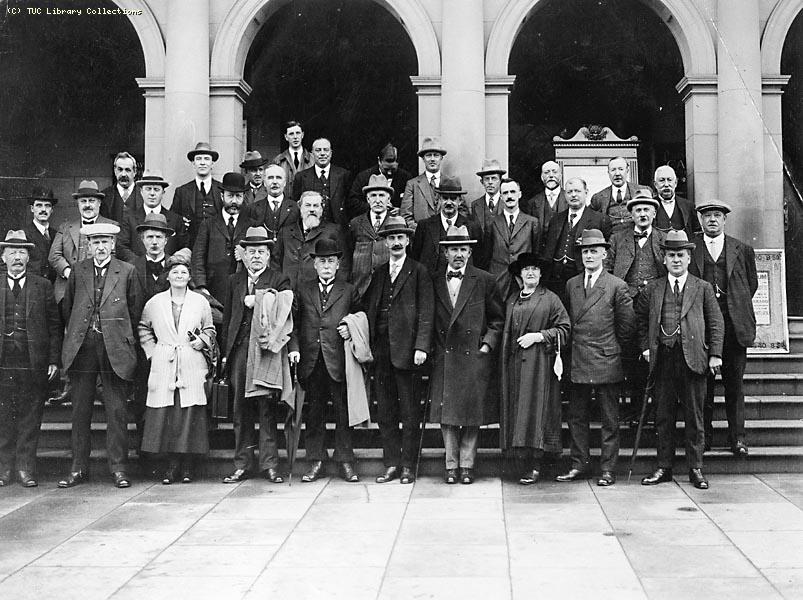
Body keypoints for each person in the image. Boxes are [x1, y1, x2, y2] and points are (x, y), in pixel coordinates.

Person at [57, 223, 143, 489]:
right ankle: (78, 468)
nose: (101, 247)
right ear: (89, 245)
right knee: (80, 411)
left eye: (105, 241)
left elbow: (135, 310)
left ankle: (118, 468)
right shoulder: (78, 272)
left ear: (113, 244)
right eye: (95, 242)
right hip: (83, 347)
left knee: (116, 410)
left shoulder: (127, 271)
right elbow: (69, 308)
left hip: (115, 348)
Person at [636, 230, 724, 490]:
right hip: (663, 359)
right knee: (663, 416)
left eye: (680, 255)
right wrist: (645, 347)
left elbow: (716, 323)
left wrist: (715, 354)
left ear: (688, 258)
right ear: (664, 259)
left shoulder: (703, 287)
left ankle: (695, 468)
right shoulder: (653, 288)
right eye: (671, 255)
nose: (676, 260)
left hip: (694, 359)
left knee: (694, 417)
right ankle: (664, 467)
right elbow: (640, 320)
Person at [556, 229, 635, 486]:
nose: (589, 255)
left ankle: (608, 469)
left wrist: (611, 350)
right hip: (579, 359)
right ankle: (579, 464)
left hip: (605, 359)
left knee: (609, 419)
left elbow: (626, 328)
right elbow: (567, 320)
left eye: (594, 251)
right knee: (576, 417)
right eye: (585, 251)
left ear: (604, 253)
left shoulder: (616, 285)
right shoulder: (572, 284)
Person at [429, 225, 504, 484]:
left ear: (470, 252)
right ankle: (451, 466)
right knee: (447, 416)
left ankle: (468, 466)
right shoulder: (434, 278)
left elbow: (497, 319)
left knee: (471, 415)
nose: (458, 254)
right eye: (453, 249)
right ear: (445, 253)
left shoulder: (484, 279)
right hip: (445, 355)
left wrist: (487, 345)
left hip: (473, 356)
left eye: (463, 249)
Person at [220, 227, 294, 484]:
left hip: (264, 351)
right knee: (240, 409)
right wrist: (225, 354)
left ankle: (270, 464)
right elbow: (228, 319)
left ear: (269, 255)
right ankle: (242, 463)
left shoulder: (278, 279)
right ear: (243, 254)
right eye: (251, 252)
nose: (256, 257)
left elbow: (287, 309)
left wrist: (260, 299)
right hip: (240, 350)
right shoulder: (234, 281)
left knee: (266, 408)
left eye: (261, 252)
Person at [364, 216, 433, 484]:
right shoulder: (380, 272)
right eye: (391, 238)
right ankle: (391, 463)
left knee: (410, 412)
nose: (395, 242)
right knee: (386, 412)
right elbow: (371, 308)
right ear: (385, 242)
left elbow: (427, 312)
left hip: (408, 353)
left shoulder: (419, 271)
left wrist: (421, 347)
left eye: (400, 237)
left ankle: (408, 466)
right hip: (382, 353)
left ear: (408, 241)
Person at [138, 250, 215, 484]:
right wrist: (153, 353)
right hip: (165, 362)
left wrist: (201, 341)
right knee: (167, 415)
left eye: (183, 272)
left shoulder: (200, 301)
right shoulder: (155, 302)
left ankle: (188, 464)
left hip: (191, 362)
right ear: (168, 276)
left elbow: (210, 329)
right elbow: (143, 328)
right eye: (175, 272)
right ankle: (170, 465)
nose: (179, 275)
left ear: (189, 276)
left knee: (188, 413)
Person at [689, 200, 758, 456]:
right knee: (702, 388)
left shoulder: (742, 249)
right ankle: (703, 439)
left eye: (717, 215)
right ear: (701, 220)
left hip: (734, 326)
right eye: (707, 216)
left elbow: (751, 285)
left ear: (725, 220)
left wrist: (732, 306)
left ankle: (737, 439)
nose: (712, 220)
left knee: (734, 386)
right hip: (702, 327)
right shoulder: (691, 249)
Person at [292, 237, 361, 483]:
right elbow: (294, 324)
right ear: (314, 265)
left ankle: (345, 461)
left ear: (338, 264)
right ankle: (315, 461)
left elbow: (360, 319)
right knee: (315, 413)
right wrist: (295, 348)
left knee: (343, 413)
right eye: (322, 261)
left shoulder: (349, 290)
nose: (326, 266)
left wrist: (350, 328)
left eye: (331, 261)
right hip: (311, 359)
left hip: (339, 359)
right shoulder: (303, 288)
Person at [499, 253, 569, 485]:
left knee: (536, 413)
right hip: (515, 367)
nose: (530, 273)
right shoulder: (512, 300)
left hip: (539, 366)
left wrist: (539, 336)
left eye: (535, 269)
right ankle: (518, 462)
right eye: (526, 269)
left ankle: (536, 464)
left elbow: (565, 329)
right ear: (520, 274)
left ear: (540, 274)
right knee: (517, 412)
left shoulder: (550, 299)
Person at [0, 231, 61, 487]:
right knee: (3, 415)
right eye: (12, 252)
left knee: (30, 415)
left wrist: (53, 360)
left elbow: (55, 325)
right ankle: (4, 469)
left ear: (28, 257)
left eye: (22, 252)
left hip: (32, 360)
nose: (17, 257)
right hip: (3, 362)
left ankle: (26, 468)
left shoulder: (42, 285)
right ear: (3, 257)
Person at [129, 212, 176, 453]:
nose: (154, 242)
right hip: (141, 347)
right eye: (150, 237)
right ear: (142, 239)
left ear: (166, 240)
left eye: (159, 236)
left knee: (169, 399)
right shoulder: (130, 269)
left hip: (171, 346)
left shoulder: (176, 269)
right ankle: (145, 453)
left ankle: (167, 453)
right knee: (142, 397)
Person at [541, 177, 610, 303]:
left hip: (581, 277)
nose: (573, 195)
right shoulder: (556, 219)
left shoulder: (599, 219)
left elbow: (606, 253)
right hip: (555, 280)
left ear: (586, 192)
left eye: (577, 191)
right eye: (569, 192)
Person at [49, 179, 118, 305]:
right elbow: (54, 255)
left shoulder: (111, 226)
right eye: (83, 201)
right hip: (67, 290)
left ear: (99, 203)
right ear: (78, 203)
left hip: (99, 290)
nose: (87, 205)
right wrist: (69, 273)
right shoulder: (65, 227)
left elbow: (114, 256)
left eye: (91, 201)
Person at [192, 172, 251, 308]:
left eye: (238, 196)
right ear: (221, 196)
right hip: (213, 289)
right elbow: (198, 257)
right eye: (230, 196)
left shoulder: (250, 225)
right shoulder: (208, 224)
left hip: (242, 291)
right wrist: (201, 287)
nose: (234, 201)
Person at [271, 191, 351, 289]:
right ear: (300, 207)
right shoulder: (286, 231)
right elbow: (276, 263)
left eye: (316, 206)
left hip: (317, 295)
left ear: (321, 209)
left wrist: (335, 291)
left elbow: (343, 265)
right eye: (308, 205)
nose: (312, 210)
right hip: (289, 291)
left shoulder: (333, 231)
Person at [410, 177, 484, 277]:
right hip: (430, 285)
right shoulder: (424, 226)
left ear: (460, 201)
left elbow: (480, 260)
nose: (449, 203)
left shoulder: (472, 227)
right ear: (439, 199)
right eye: (445, 198)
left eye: (453, 199)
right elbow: (415, 258)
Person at [605, 187, 667, 299]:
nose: (642, 214)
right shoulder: (617, 239)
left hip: (656, 297)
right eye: (638, 210)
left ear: (654, 214)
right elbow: (607, 270)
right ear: (632, 215)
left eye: (646, 210)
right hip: (626, 298)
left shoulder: (664, 239)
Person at [484, 178, 540, 297]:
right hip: (499, 280)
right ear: (501, 197)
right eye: (505, 193)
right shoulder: (492, 223)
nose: (509, 196)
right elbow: (487, 254)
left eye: (513, 192)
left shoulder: (532, 223)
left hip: (523, 280)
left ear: (519, 194)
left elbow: (536, 253)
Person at [118, 171, 185, 262]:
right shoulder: (130, 218)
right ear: (141, 192)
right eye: (148, 189)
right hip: (138, 271)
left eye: (156, 189)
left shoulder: (175, 219)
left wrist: (171, 263)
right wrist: (138, 263)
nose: (152, 193)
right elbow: (121, 246)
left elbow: (184, 246)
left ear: (163, 192)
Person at [292, 138, 359, 229]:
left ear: (331, 153)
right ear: (312, 154)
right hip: (311, 228)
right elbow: (296, 205)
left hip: (337, 229)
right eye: (318, 150)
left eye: (326, 150)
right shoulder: (301, 177)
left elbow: (350, 203)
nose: (322, 153)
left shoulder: (344, 175)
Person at [348, 174, 393, 298]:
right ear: (367, 199)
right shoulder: (356, 223)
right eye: (373, 195)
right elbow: (347, 255)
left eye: (382, 195)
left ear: (388, 199)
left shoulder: (395, 223)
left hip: (387, 289)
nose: (377, 200)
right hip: (360, 288)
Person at [171, 142, 223, 249]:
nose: (202, 163)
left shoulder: (222, 190)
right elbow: (172, 219)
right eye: (199, 159)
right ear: (193, 163)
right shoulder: (182, 191)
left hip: (217, 248)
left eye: (206, 159)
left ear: (212, 163)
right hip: (190, 247)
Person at [347, 143, 413, 211]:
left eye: (393, 170)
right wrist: (374, 207)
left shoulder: (406, 178)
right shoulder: (364, 177)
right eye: (386, 169)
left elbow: (412, 203)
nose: (389, 173)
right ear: (379, 161)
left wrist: (400, 210)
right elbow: (352, 202)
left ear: (398, 163)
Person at [400, 137, 447, 230]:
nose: (432, 159)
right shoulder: (412, 184)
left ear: (441, 158)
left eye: (436, 155)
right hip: (422, 238)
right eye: (429, 155)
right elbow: (405, 215)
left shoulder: (450, 182)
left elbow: (462, 212)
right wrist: (421, 232)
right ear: (423, 158)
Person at [590, 157, 638, 236]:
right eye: (613, 170)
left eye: (621, 169)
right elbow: (588, 220)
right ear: (608, 172)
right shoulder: (598, 198)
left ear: (627, 171)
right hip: (610, 242)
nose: (617, 173)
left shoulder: (641, 191)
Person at [521, 160, 568, 241]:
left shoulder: (569, 199)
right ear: (542, 177)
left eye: (554, 172)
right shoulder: (533, 202)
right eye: (547, 172)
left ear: (560, 176)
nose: (551, 176)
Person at [250, 164, 299, 239]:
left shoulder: (295, 208)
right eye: (270, 178)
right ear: (264, 183)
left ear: (285, 182)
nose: (275, 182)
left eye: (279, 178)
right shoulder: (253, 208)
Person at [21, 185, 58, 282]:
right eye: (39, 205)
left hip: (53, 289)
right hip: (32, 288)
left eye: (47, 205)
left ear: (52, 210)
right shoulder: (23, 234)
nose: (43, 210)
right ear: (32, 208)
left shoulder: (57, 234)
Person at [653, 165, 700, 239]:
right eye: (662, 180)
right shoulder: (650, 206)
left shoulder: (688, 206)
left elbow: (697, 234)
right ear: (655, 184)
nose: (666, 184)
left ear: (675, 183)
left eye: (669, 180)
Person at [272, 120, 314, 201]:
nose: (295, 137)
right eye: (291, 134)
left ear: (302, 135)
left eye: (298, 133)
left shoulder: (313, 160)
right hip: (286, 207)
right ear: (286, 137)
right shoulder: (278, 161)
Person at [469, 158, 506, 236]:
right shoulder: (475, 205)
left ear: (500, 181)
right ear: (482, 182)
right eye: (486, 179)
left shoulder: (507, 203)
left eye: (494, 178)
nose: (490, 182)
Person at [100, 151, 139, 223]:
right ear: (115, 171)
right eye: (120, 170)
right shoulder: (104, 196)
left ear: (135, 172)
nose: (123, 174)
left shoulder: (143, 195)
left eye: (128, 170)